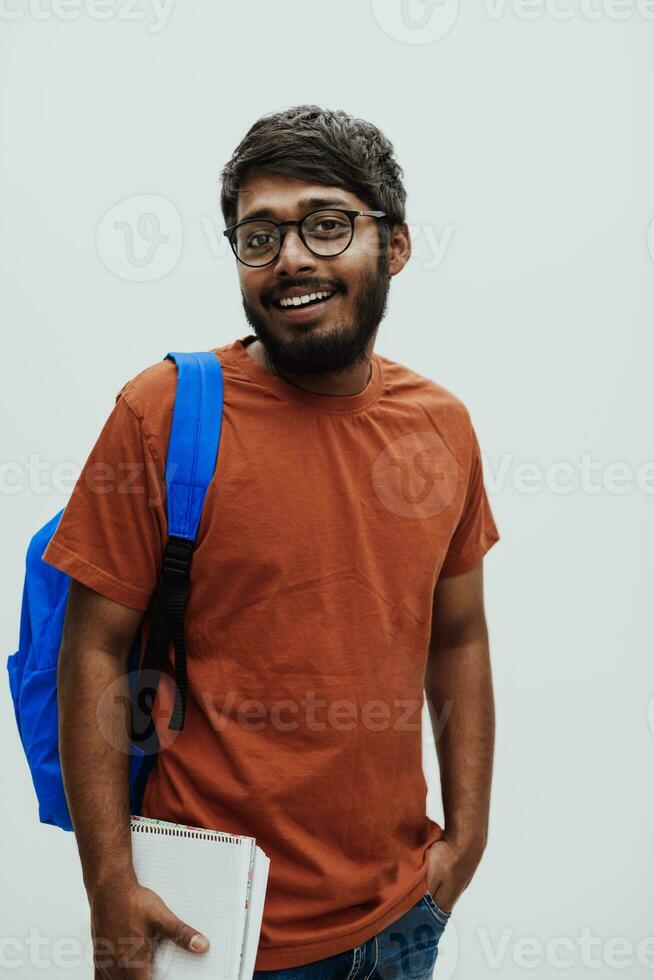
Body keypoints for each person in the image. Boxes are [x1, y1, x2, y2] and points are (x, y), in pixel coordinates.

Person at [43, 104, 501, 979]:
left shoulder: (442, 428)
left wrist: (467, 840)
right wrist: (109, 887)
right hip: (212, 930)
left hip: (403, 920)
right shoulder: (165, 412)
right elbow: (94, 647)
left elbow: (460, 634)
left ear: (394, 246)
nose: (291, 257)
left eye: (327, 226)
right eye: (259, 237)